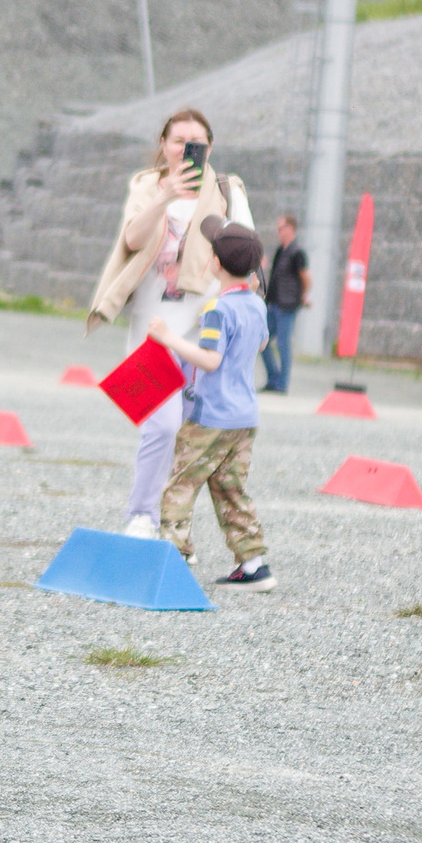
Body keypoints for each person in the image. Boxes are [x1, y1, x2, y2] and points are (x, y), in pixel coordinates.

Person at [86, 108, 250, 540]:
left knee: (192, 437)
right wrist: (165, 197)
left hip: (202, 330)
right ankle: (141, 516)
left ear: (210, 147)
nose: (186, 149)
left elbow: (246, 258)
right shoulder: (145, 185)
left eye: (196, 142)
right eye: (178, 140)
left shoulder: (228, 191)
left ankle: (176, 529)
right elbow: (132, 240)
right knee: (159, 425)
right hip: (150, 329)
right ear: (163, 144)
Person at [151, 220, 272, 590]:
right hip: (244, 417)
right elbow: (262, 345)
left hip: (211, 416)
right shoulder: (256, 305)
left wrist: (168, 338)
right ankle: (253, 563)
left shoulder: (217, 309)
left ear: (216, 263)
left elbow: (209, 359)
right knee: (230, 488)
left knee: (180, 485)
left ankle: (174, 557)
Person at [259, 213, 309, 394]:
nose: (278, 232)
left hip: (287, 305)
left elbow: (306, 278)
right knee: (262, 341)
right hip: (274, 304)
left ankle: (282, 384)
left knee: (283, 344)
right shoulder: (282, 250)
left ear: (290, 228)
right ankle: (274, 379)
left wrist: (302, 296)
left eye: (281, 228)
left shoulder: (297, 253)